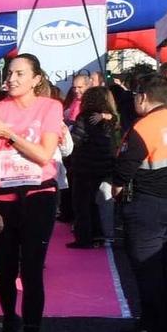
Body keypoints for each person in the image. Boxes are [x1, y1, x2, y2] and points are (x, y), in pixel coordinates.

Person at [0, 53, 66, 332]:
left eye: (19, 73)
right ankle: (8, 321)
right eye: (9, 73)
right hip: (2, 198)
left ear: (36, 78)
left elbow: (43, 155)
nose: (11, 79)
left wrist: (11, 135)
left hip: (39, 195)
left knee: (30, 272)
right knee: (4, 271)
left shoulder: (50, 107)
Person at [114, 74, 167, 332]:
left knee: (146, 265)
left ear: (142, 97)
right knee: (164, 262)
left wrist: (117, 185)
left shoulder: (144, 126)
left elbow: (126, 164)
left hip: (151, 201)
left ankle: (151, 322)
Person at [64, 86, 120, 247]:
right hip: (105, 165)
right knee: (98, 202)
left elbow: (76, 139)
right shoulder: (111, 119)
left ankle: (84, 239)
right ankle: (99, 235)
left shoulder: (85, 116)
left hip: (85, 166)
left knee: (82, 204)